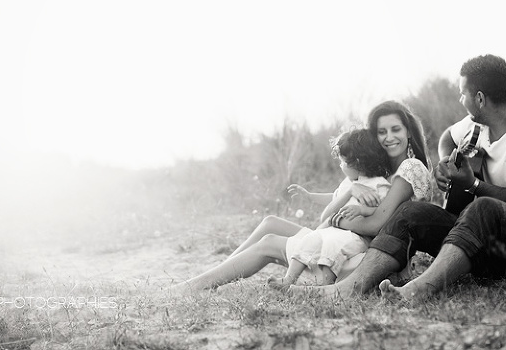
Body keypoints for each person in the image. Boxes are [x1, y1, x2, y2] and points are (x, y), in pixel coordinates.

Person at [302, 55, 506, 301]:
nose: (460, 100)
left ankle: (419, 289)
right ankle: (349, 287)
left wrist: (474, 184)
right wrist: (446, 163)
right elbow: (448, 137)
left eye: (462, 94)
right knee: (411, 211)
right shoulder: (478, 123)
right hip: (489, 247)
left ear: (479, 98)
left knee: (483, 206)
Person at [169, 100, 432, 294]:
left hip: (367, 253)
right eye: (381, 132)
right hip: (346, 240)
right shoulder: (385, 171)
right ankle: (222, 270)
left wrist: (336, 219)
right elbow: (351, 200)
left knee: (270, 242)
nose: (388, 138)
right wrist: (336, 199)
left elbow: (377, 224)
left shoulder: (409, 169)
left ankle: (194, 286)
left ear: (408, 131)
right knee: (271, 222)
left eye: (395, 129)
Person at [272, 128, 392, 287]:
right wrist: (310, 196)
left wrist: (362, 210)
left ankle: (325, 285)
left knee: (332, 248)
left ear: (356, 162)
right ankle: (289, 279)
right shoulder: (349, 182)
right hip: (334, 229)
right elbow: (334, 198)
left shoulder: (379, 184)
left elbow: (385, 212)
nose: (341, 165)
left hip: (357, 236)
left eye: (342, 161)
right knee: (310, 239)